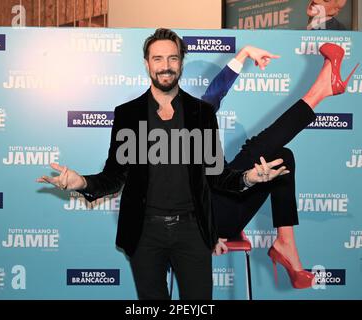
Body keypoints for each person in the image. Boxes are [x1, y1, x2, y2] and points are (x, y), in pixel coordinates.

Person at [37, 28, 287, 300]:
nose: (165, 66)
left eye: (172, 58)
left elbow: (217, 177)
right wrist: (82, 182)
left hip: (193, 231)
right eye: (157, 59)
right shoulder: (127, 115)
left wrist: (249, 178)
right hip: (144, 233)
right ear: (147, 63)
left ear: (181, 62)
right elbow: (114, 176)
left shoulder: (201, 113)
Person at [206, 42, 358, 289]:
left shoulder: (196, 116)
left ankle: (286, 244)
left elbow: (214, 93)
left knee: (281, 158)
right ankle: (320, 91)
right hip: (207, 221)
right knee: (258, 151)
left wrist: (243, 54)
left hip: (226, 199)